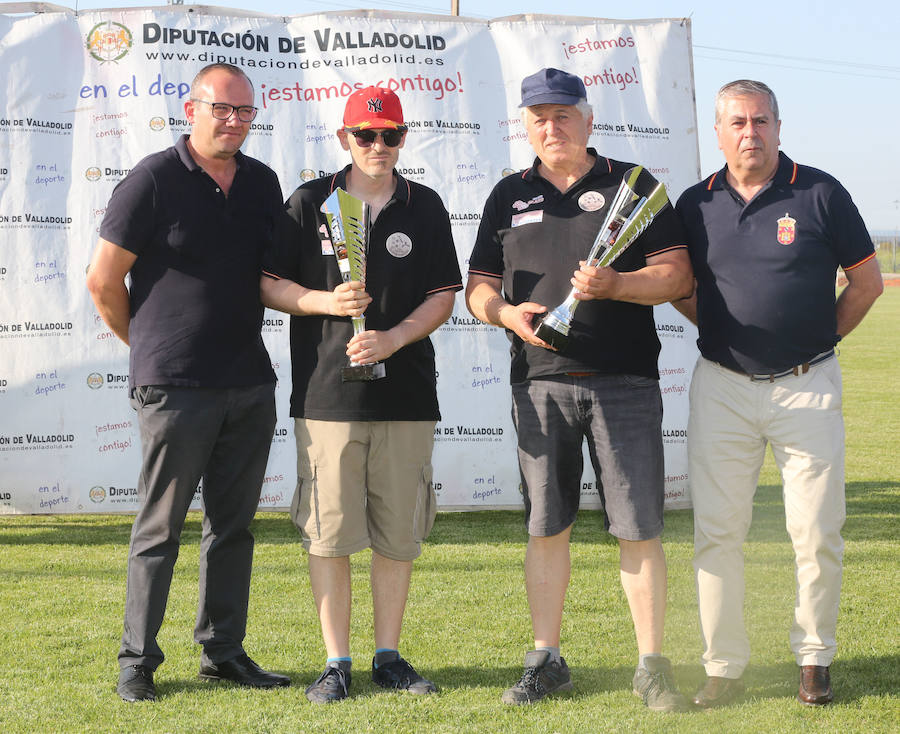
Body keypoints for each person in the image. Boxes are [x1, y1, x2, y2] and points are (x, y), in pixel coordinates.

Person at [465, 67, 693, 710]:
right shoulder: (508, 193)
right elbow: (479, 284)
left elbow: (675, 276)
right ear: (524, 125)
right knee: (546, 526)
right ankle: (547, 659)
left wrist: (617, 285)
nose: (550, 126)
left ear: (588, 120)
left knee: (639, 527)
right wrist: (504, 314)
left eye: (563, 114)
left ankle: (652, 664)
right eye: (538, 116)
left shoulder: (633, 185)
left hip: (622, 380)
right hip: (539, 385)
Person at [673, 79, 883, 708]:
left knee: (816, 531)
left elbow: (867, 283)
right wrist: (724, 333)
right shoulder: (694, 203)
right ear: (718, 132)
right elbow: (682, 288)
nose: (750, 133)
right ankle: (723, 667)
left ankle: (814, 658)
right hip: (723, 389)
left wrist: (817, 342)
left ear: (779, 127)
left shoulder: (820, 192)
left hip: (806, 387)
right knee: (717, 531)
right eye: (736, 122)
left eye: (761, 121)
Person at [86, 63, 290, 703]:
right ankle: (137, 661)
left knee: (234, 527)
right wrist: (146, 346)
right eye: (221, 108)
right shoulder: (152, 178)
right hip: (174, 387)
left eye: (244, 112)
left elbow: (269, 276)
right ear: (191, 109)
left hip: (248, 382)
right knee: (160, 529)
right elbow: (102, 281)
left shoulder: (261, 183)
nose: (233, 121)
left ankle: (222, 652)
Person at [260, 86, 462, 703]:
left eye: (390, 135)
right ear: (345, 138)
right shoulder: (308, 201)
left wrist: (394, 338)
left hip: (404, 396)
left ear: (403, 138)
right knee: (330, 533)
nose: (378, 146)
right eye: (365, 135)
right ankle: (336, 661)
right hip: (328, 398)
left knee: (398, 536)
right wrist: (326, 302)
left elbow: (444, 294)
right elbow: (268, 284)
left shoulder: (423, 205)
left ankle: (389, 657)